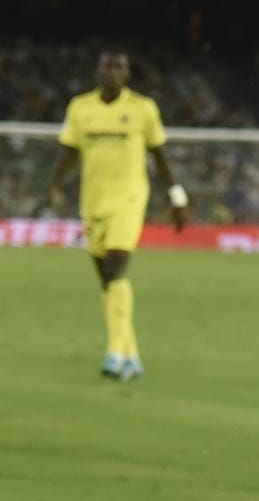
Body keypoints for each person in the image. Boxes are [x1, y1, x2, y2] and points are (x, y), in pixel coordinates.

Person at [46, 51, 188, 380]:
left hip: (130, 198)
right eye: (107, 67)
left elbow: (159, 155)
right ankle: (131, 355)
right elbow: (70, 151)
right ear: (97, 71)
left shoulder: (142, 109)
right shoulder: (80, 108)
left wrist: (177, 196)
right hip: (93, 202)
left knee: (116, 266)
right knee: (108, 280)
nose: (112, 73)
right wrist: (54, 185)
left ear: (127, 73)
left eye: (119, 67)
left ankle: (113, 353)